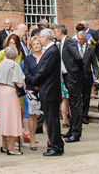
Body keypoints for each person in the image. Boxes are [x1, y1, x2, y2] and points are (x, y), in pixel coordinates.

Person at [33, 28, 63, 157]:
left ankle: (55, 146)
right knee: (52, 119)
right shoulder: (51, 50)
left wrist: (33, 80)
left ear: (45, 38)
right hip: (49, 89)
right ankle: (58, 144)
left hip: (50, 90)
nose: (39, 39)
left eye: (40, 37)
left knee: (51, 119)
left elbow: (44, 70)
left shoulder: (52, 51)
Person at [0, 44, 25, 156]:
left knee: (4, 117)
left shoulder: (1, 64)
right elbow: (19, 83)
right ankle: (13, 147)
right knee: (12, 118)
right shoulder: (15, 65)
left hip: (1, 91)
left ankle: (4, 144)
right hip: (11, 92)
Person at [20, 36, 43, 151]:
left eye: (38, 44)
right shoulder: (28, 59)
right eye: (34, 44)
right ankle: (32, 140)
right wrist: (34, 82)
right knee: (33, 115)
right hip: (31, 89)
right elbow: (26, 73)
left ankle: (50, 139)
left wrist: (41, 83)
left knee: (45, 115)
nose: (36, 46)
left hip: (44, 88)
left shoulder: (45, 57)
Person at [75, 31, 99, 125]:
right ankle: (78, 115)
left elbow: (94, 62)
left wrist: (96, 73)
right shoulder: (74, 47)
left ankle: (85, 115)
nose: (79, 41)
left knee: (86, 97)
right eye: (78, 39)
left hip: (87, 75)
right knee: (77, 97)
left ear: (85, 39)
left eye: (81, 39)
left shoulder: (90, 48)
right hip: (76, 76)